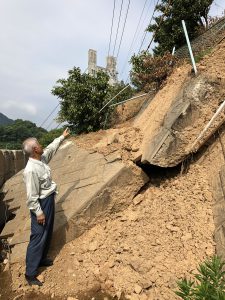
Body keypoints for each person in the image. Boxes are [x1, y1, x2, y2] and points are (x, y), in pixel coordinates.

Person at [22, 128, 70, 286]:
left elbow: (51, 148)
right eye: (39, 144)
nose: (42, 145)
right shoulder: (31, 170)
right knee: (38, 236)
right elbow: (31, 197)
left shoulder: (41, 159)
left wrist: (61, 137)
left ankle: (41, 259)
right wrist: (39, 213)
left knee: (47, 231)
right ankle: (30, 274)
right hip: (40, 204)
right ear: (35, 149)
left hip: (48, 200)